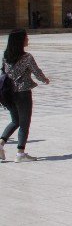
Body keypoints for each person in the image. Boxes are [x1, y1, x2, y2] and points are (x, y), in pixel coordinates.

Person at [1, 29, 49, 162]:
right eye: (26, 37)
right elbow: (36, 71)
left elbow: (4, 72)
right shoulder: (27, 57)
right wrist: (45, 80)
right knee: (24, 123)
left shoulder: (6, 56)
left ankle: (0, 144)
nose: (28, 39)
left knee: (15, 120)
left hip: (8, 93)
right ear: (20, 41)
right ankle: (20, 153)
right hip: (23, 93)